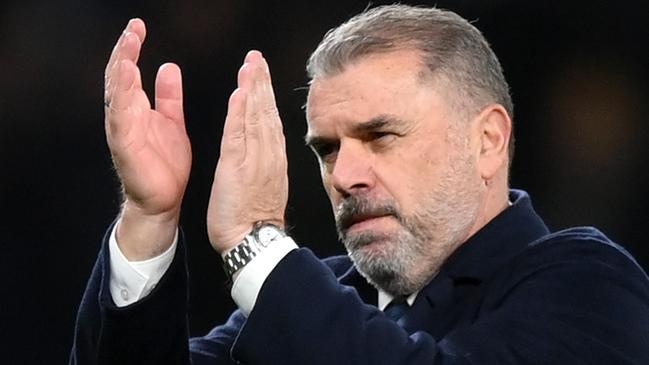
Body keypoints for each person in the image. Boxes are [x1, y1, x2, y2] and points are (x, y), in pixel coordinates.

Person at [70, 4, 649, 364]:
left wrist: (253, 239)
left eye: (381, 137)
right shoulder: (315, 295)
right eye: (326, 149)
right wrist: (149, 218)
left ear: (488, 141)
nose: (343, 176)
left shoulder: (590, 284)